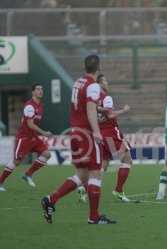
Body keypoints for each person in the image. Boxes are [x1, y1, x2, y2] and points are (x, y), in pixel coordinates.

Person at [41, 54, 116, 224]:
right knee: (96, 174)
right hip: (87, 134)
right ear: (99, 68)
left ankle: (51, 199)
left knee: (82, 175)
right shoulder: (93, 85)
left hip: (75, 133)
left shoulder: (78, 82)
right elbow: (90, 109)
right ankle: (94, 217)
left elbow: (84, 105)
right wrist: (96, 132)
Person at [77, 74, 133, 203]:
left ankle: (85, 187)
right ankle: (118, 190)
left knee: (103, 165)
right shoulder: (106, 97)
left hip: (100, 134)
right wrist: (124, 110)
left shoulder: (92, 99)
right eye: (105, 81)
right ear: (100, 84)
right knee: (127, 159)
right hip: (111, 133)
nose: (107, 83)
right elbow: (111, 114)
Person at [0, 84, 52, 191]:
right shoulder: (29, 106)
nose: (40, 91)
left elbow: (26, 121)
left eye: (42, 89)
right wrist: (43, 132)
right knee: (17, 161)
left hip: (33, 137)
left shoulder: (40, 105)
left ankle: (28, 175)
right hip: (24, 138)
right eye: (38, 89)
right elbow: (30, 124)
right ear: (33, 92)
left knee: (47, 154)